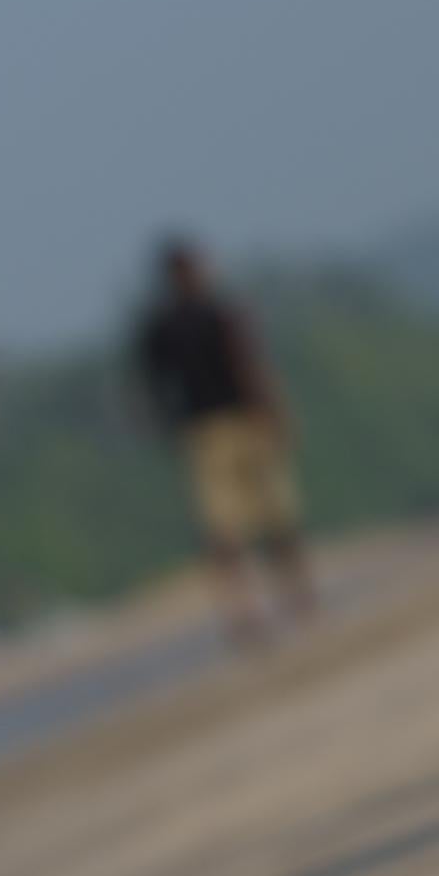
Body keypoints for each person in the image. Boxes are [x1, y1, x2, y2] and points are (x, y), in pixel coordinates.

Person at [129, 238, 314, 639]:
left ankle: (286, 599)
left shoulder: (211, 315)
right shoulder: (176, 324)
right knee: (232, 529)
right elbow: (248, 366)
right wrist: (275, 412)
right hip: (214, 429)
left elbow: (249, 365)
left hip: (231, 424)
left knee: (270, 519)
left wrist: (272, 411)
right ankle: (252, 609)